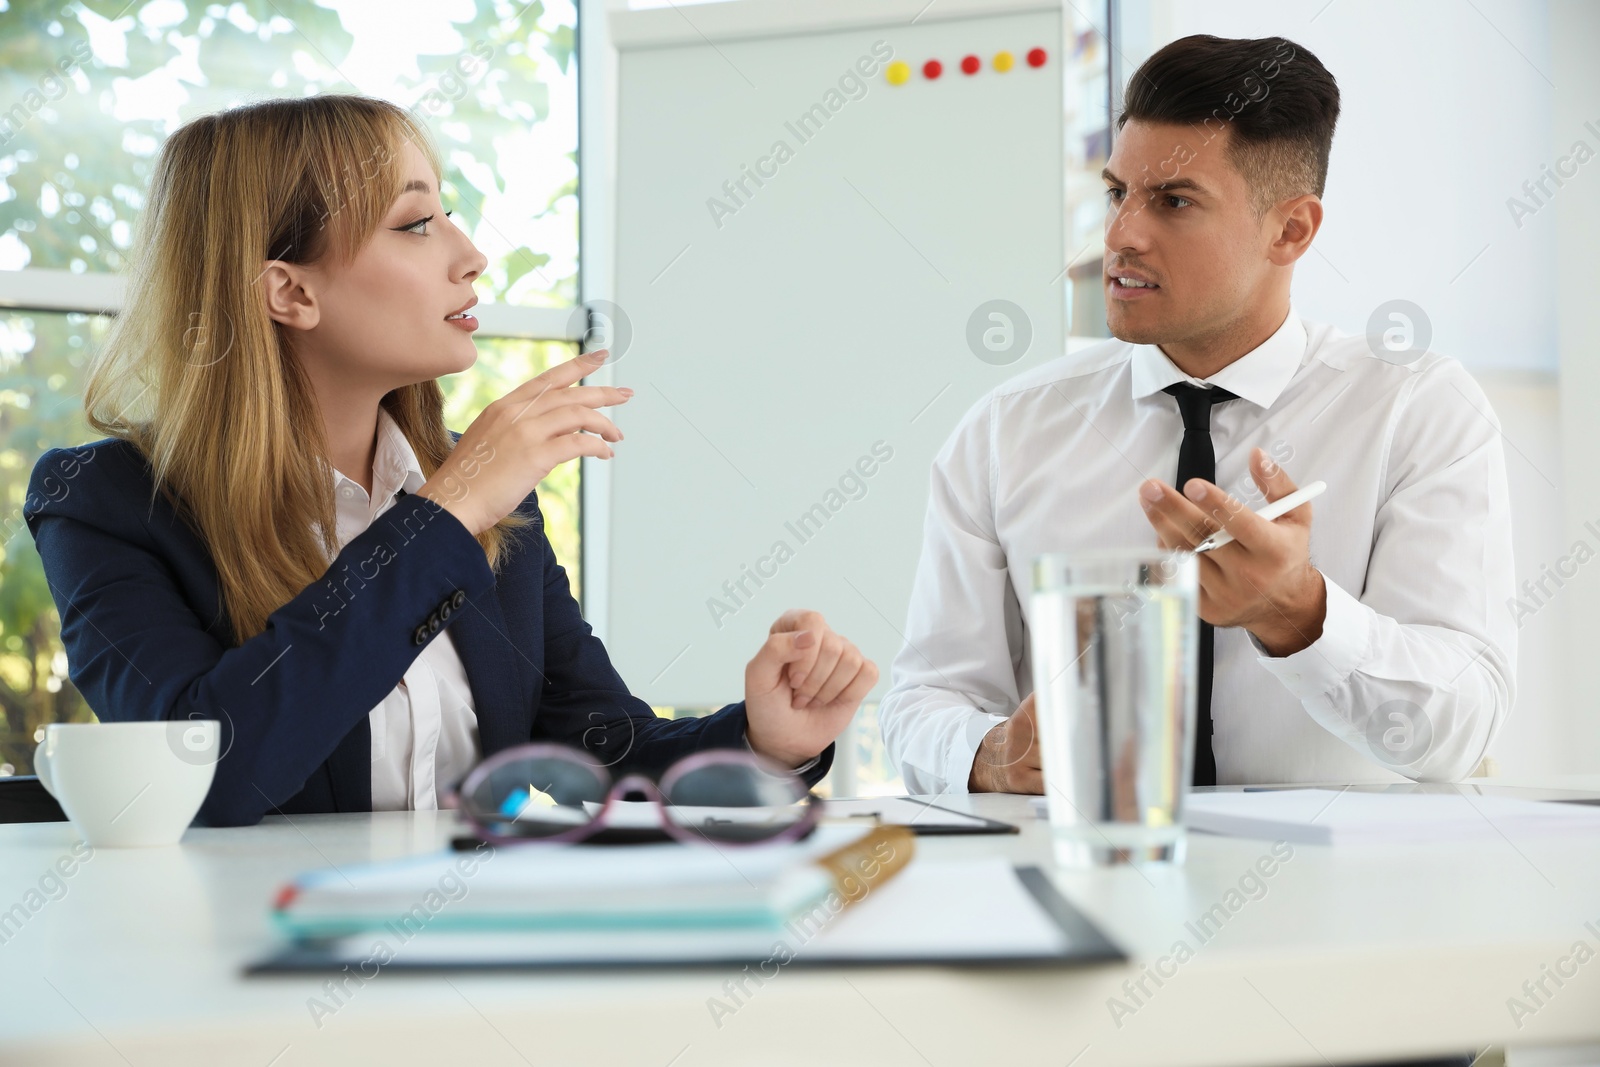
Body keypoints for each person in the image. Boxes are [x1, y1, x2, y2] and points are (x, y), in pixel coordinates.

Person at [25, 95, 876, 828]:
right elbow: (208, 774)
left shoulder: (482, 498)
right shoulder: (101, 501)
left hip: (473, 963)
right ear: (291, 292)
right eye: (417, 223)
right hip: (250, 981)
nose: (471, 256)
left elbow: (597, 744)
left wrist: (765, 743)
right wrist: (444, 514)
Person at [879, 34, 1515, 795]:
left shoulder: (1417, 410)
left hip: (1334, 904)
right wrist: (987, 751)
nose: (1120, 236)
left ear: (1291, 230)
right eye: (1117, 193)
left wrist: (1301, 617)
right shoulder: (1005, 432)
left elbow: (1462, 726)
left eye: (1173, 202)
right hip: (1086, 886)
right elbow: (922, 699)